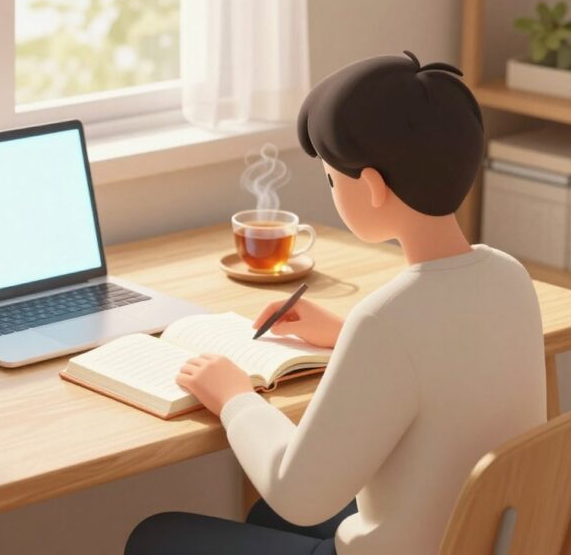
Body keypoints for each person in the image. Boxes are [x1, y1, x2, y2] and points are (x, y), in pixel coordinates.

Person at [125, 51, 546, 555]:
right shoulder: (509, 275)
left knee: (155, 536)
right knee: (261, 518)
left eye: (331, 178)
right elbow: (442, 350)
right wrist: (345, 332)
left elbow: (297, 494)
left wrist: (234, 396)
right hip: (476, 538)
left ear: (371, 187)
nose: (330, 190)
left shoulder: (387, 319)